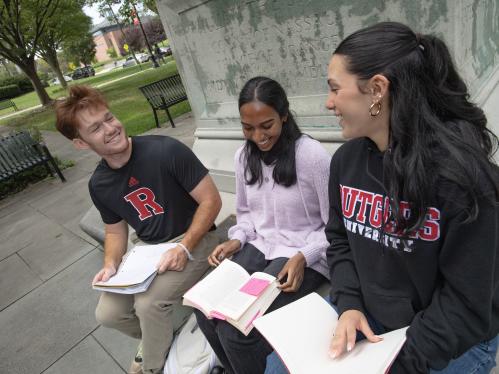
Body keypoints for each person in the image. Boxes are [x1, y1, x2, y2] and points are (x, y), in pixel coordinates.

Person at [325, 22, 499, 373]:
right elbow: (339, 239)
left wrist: (396, 363)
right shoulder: (346, 162)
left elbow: (465, 301)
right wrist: (348, 304)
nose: (328, 103)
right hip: (371, 322)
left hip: (448, 343)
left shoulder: (461, 179)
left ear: (377, 90)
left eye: (334, 89)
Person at [55, 85, 222, 374]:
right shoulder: (99, 184)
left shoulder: (165, 150)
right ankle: (160, 338)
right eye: (96, 128)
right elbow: (115, 232)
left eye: (109, 118)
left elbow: (212, 201)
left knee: (148, 305)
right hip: (147, 249)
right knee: (107, 314)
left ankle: (153, 368)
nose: (110, 128)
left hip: (196, 237)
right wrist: (110, 265)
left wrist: (184, 247)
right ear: (81, 143)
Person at [194, 76, 331, 374]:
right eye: (248, 127)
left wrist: (303, 256)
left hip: (301, 253)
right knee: (204, 312)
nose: (258, 136)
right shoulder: (243, 156)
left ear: (283, 115)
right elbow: (245, 215)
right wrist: (237, 239)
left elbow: (334, 226)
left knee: (237, 331)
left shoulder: (311, 156)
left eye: (266, 125)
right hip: (259, 246)